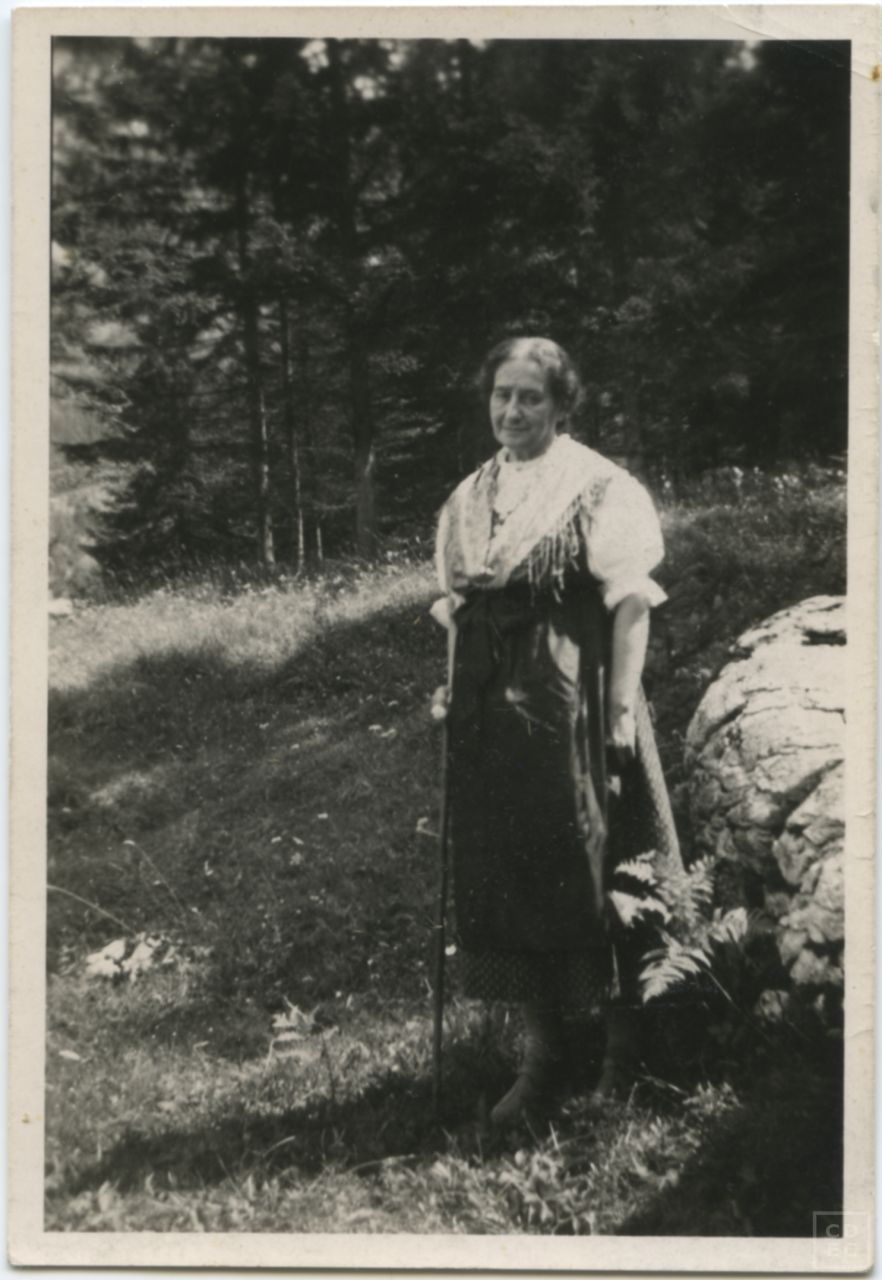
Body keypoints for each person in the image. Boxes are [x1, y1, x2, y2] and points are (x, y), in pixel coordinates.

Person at [430, 336, 681, 1126]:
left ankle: (623, 1052)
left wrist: (619, 712)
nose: (511, 411)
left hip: (577, 709)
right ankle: (543, 1056)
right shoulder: (468, 498)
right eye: (501, 394)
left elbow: (631, 605)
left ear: (561, 405)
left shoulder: (600, 488)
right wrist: (452, 689)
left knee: (599, 869)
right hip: (492, 721)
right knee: (510, 874)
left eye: (530, 397)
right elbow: (461, 611)